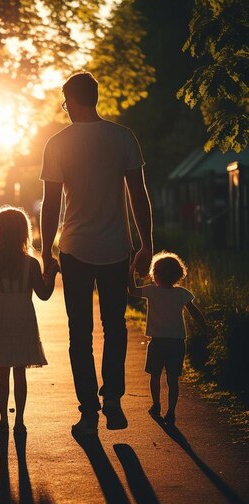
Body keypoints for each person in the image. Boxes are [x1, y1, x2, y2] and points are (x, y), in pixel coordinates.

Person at [40, 72, 153, 436]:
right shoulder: (122, 137)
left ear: (71, 100)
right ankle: (114, 398)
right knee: (115, 326)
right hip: (116, 248)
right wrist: (146, 243)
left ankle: (89, 411)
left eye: (64, 102)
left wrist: (46, 252)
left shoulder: (57, 142)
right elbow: (139, 194)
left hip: (74, 248)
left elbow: (50, 204)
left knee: (80, 334)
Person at [0, 206, 59, 433]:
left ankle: (3, 419)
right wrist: (51, 274)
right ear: (24, 233)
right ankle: (20, 420)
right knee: (20, 371)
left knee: (2, 370)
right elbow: (43, 294)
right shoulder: (30, 264)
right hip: (23, 317)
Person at [129, 251, 208, 425]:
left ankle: (156, 405)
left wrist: (131, 271)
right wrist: (205, 326)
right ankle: (171, 412)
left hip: (157, 342)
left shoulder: (151, 291)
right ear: (178, 275)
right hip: (177, 342)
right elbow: (193, 311)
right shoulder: (182, 293)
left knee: (155, 375)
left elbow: (132, 290)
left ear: (155, 274)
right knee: (173, 379)